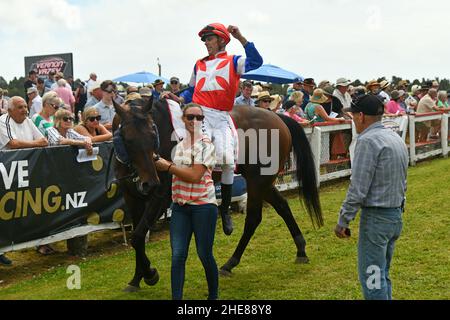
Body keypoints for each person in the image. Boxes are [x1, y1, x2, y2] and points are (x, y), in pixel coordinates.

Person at [179, 23, 263, 236]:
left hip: (222, 116)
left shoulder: (234, 61)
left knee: (227, 160)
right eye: (205, 40)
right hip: (202, 113)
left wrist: (240, 36)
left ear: (221, 40)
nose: (206, 43)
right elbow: (191, 90)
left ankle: (224, 209)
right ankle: (197, 205)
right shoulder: (199, 64)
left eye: (209, 39)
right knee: (204, 156)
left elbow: (257, 61)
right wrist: (178, 98)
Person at [335, 94, 408, 300]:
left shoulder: (367, 141)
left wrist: (343, 220)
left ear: (360, 116)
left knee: (373, 278)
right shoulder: (395, 137)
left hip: (377, 218)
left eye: (353, 115)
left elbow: (358, 187)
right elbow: (403, 180)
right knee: (382, 273)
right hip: (394, 214)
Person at [155, 104, 219, 300]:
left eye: (199, 118)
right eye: (190, 117)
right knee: (177, 256)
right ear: (183, 119)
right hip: (181, 207)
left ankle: (213, 297)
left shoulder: (206, 145)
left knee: (204, 254)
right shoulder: (180, 144)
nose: (195, 121)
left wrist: (168, 166)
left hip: (203, 206)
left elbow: (194, 175)